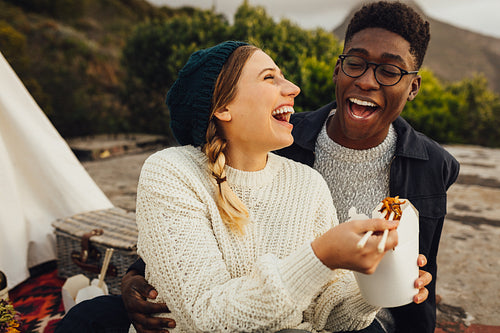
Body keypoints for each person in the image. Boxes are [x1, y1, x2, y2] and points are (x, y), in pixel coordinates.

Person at [118, 2, 458, 333]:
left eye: (389, 71)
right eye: (269, 77)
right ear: (339, 69)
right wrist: (322, 256)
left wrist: (374, 284)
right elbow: (195, 287)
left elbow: (327, 309)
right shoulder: (184, 169)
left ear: (413, 86)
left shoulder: (311, 182)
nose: (293, 89)